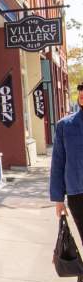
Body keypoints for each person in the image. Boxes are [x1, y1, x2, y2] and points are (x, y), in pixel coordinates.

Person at [50, 83, 83, 237]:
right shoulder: (65, 125)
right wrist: (58, 198)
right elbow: (58, 163)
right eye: (80, 91)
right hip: (77, 193)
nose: (81, 93)